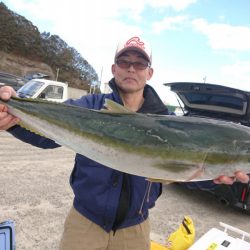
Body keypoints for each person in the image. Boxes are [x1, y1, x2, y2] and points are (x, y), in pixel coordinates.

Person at [0, 36, 249, 250]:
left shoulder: (169, 124)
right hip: (84, 221)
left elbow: (184, 173)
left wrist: (212, 179)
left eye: (140, 63)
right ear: (114, 68)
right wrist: (12, 118)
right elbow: (47, 137)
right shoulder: (90, 107)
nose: (131, 68)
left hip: (136, 227)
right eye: (124, 62)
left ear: (149, 72)